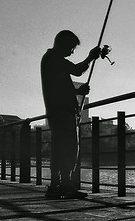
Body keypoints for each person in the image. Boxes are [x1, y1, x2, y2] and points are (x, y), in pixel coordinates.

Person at [41, 30, 100, 198]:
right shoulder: (54, 59)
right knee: (69, 147)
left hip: (57, 111)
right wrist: (90, 57)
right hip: (63, 112)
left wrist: (78, 90)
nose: (72, 51)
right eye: (72, 47)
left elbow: (59, 86)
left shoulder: (50, 60)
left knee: (60, 147)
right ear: (64, 44)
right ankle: (64, 185)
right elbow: (77, 70)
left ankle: (57, 185)